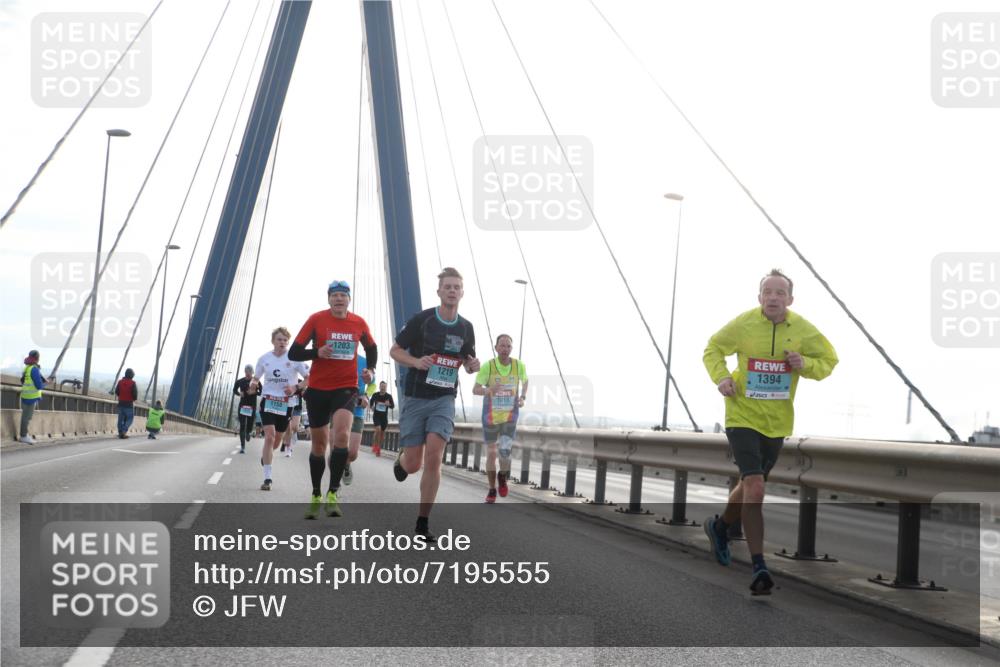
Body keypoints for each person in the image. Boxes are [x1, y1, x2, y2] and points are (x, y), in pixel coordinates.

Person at [702, 269, 838, 595]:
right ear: (759, 297)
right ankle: (759, 566)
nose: (773, 297)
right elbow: (712, 348)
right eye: (768, 292)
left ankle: (719, 527)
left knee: (752, 483)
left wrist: (804, 363)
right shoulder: (744, 324)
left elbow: (829, 361)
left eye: (780, 293)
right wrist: (721, 378)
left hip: (777, 421)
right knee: (757, 487)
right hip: (741, 414)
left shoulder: (803, 330)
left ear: (790, 299)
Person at [390, 267, 479, 542]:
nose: (452, 291)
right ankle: (402, 461)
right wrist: (416, 362)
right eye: (447, 286)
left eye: (456, 287)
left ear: (462, 292)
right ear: (439, 291)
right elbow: (394, 350)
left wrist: (472, 365)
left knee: (435, 457)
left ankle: (422, 522)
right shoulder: (423, 320)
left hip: (443, 399)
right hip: (416, 397)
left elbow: (468, 360)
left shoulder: (466, 327)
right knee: (415, 463)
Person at [289, 280, 376, 519]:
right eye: (335, 295)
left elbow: (372, 348)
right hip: (317, 389)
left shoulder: (358, 323)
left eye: (343, 295)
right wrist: (316, 352)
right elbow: (294, 353)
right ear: (328, 299)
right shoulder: (316, 320)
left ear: (349, 299)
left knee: (342, 437)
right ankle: (316, 494)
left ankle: (332, 494)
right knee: (319, 445)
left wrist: (371, 369)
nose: (339, 299)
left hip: (346, 388)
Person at [250, 327, 310, 491]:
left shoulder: (295, 358)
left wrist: (295, 387)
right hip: (268, 401)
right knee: (269, 437)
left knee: (277, 440)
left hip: (286, 404)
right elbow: (256, 377)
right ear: (273, 341)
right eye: (279, 339)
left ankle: (267, 457)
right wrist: (253, 384)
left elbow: (309, 378)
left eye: (285, 340)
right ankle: (267, 478)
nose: (282, 342)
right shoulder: (264, 359)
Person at [473, 334, 528, 503]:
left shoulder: (518, 365)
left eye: (508, 346)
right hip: (490, 417)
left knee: (504, 453)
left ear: (511, 349)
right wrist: (489, 389)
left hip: (510, 416)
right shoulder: (488, 367)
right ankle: (491, 489)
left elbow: (525, 381)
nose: (505, 349)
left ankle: (502, 476)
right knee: (491, 453)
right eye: (502, 346)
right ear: (496, 348)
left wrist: (522, 397)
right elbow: (475, 389)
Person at [344, 354, 376, 484]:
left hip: (357, 410)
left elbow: (372, 384)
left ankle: (346, 464)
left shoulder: (365, 361)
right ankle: (333, 485)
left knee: (352, 453)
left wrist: (367, 396)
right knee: (337, 450)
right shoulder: (335, 356)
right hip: (337, 408)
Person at [19, 350, 49, 445]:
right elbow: (39, 386)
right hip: (31, 397)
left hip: (25, 395)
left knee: (25, 416)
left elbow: (22, 380)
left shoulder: (27, 368)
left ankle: (24, 435)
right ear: (37, 358)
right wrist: (45, 384)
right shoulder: (34, 369)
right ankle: (24, 436)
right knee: (27, 417)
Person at [233, 364, 258, 454]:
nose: (248, 373)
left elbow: (260, 392)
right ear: (245, 372)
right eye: (246, 371)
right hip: (243, 406)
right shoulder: (240, 381)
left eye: (250, 372)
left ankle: (249, 432)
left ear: (252, 372)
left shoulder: (256, 382)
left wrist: (254, 391)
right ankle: (243, 447)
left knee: (249, 426)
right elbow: (234, 390)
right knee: (242, 425)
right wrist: (240, 394)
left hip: (252, 406)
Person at [369, 381, 395, 456]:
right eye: (382, 386)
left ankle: (378, 448)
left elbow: (392, 406)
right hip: (376, 416)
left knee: (382, 434)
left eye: (384, 386)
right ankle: (375, 446)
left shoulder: (388, 396)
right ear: (379, 387)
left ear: (386, 387)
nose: (383, 388)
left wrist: (388, 404)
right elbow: (371, 402)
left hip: (384, 417)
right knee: (378, 429)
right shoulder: (375, 395)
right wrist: (372, 407)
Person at [281, 383, 306, 457]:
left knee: (295, 427)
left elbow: (304, 394)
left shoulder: (301, 382)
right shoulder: (286, 381)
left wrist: (303, 391)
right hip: (286, 407)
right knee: (288, 427)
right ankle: (288, 447)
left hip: (297, 408)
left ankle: (288, 440)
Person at [114, 369, 138, 439]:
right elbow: (135, 394)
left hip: (121, 403)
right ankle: (124, 432)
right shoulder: (133, 383)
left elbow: (117, 391)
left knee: (120, 419)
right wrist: (133, 399)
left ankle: (120, 432)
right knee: (129, 419)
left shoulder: (120, 382)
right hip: (129, 404)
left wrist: (121, 396)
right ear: (132, 375)